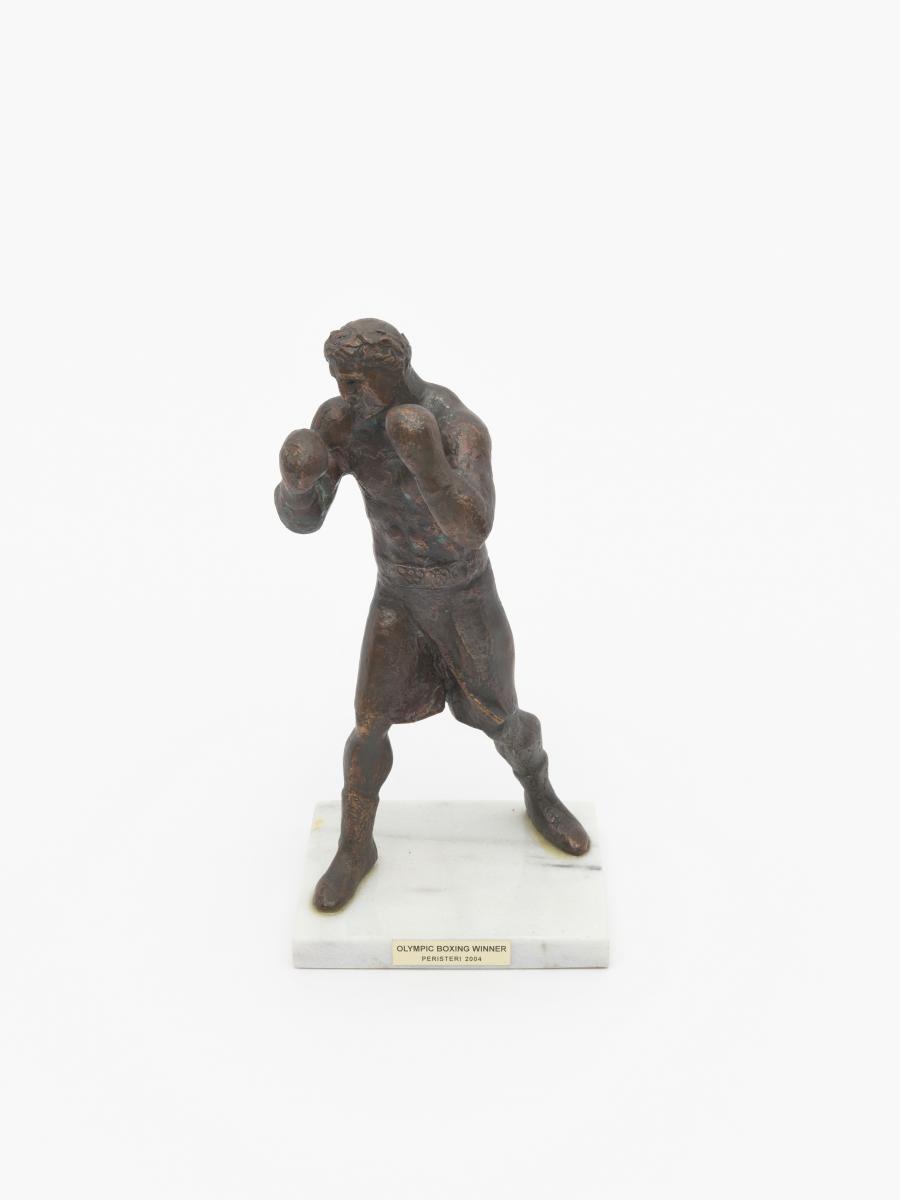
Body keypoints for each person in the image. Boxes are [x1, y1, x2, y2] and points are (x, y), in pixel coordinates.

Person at [275, 318, 589, 911]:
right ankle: (356, 844)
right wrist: (295, 483)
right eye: (338, 380)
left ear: (392, 371)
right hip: (397, 594)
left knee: (500, 715)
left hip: (465, 594)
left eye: (354, 381)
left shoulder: (454, 425)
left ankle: (539, 790)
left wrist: (429, 463)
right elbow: (306, 520)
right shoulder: (342, 423)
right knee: (369, 724)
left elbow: (474, 526)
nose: (344, 394)